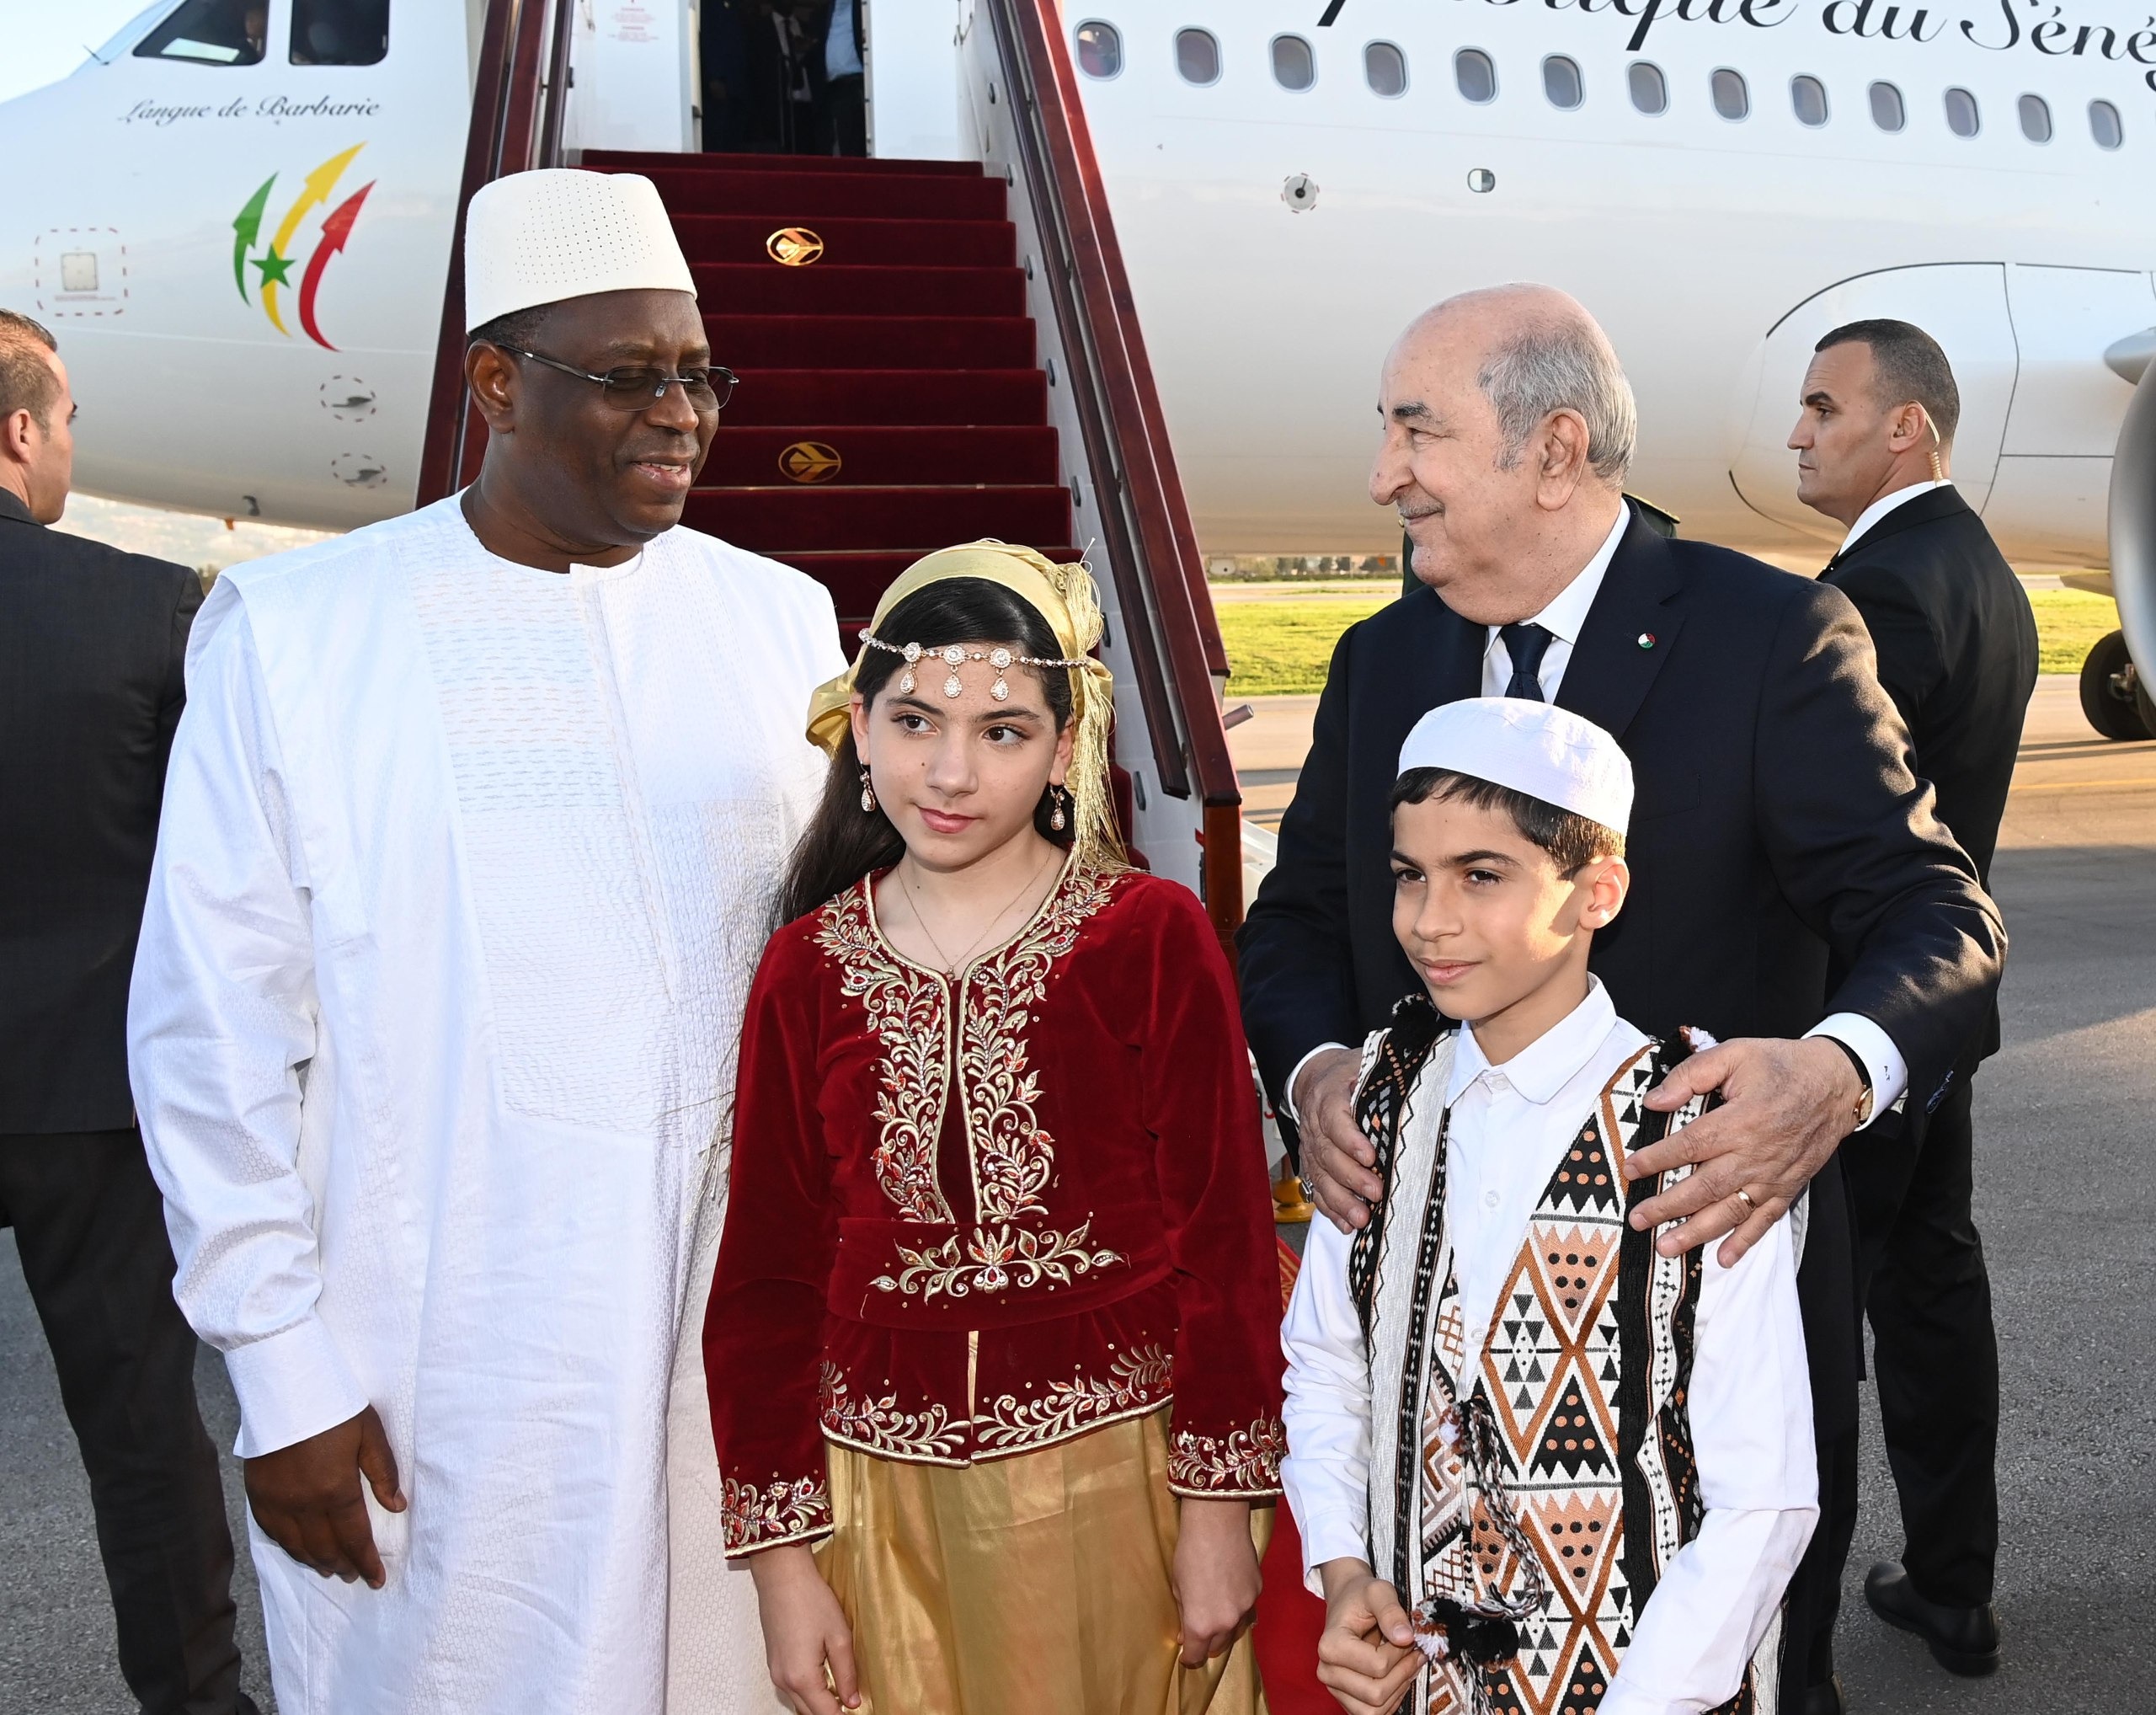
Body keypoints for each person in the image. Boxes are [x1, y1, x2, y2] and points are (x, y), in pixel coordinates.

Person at [127, 169, 844, 1715]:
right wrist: (279, 1370)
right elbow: (208, 1035)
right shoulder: (301, 634)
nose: (680, 415)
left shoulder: (779, 619)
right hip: (442, 1359)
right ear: (499, 386)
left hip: (733, 1352)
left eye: (699, 373)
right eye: (628, 376)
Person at [1237, 285, 2005, 1715]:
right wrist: (1317, 1069)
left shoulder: (1770, 635)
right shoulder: (1380, 659)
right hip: (1430, 1397)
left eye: (1416, 431)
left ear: (1553, 448)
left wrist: (1833, 1075)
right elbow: (1291, 927)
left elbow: (1937, 915)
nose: (1384, 474)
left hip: (1699, 1329)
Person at [703, 543, 1284, 1715]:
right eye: (915, 721)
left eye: (1003, 731)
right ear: (859, 729)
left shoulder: (1146, 934)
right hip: (879, 1502)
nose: (951, 771)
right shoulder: (807, 965)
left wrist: (1218, 1507)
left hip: (1117, 1476)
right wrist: (781, 1564)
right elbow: (766, 1273)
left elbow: (1223, 1243)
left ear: (1065, 748)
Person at [1283, 697, 1817, 1715]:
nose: (1429, 919)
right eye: (1409, 874)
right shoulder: (1380, 1103)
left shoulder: (1697, 1133)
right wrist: (1344, 1566)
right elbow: (1328, 1365)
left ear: (1596, 892)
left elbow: (1765, 1495)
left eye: (1480, 875)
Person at [0, 311, 259, 1715]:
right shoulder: (147, 607)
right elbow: (212, 874)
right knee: (143, 1433)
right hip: (92, 1090)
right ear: (21, 431)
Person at [1789, 318, 2037, 1686]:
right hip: (1940, 1011)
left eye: (1825, 406)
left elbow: (1828, 827)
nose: (1799, 433)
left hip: (1860, 1018)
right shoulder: (1983, 569)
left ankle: (1799, 1650)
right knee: (1933, 1287)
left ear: (1907, 428)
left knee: (1816, 1325)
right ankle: (1954, 1586)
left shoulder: (1879, 590)